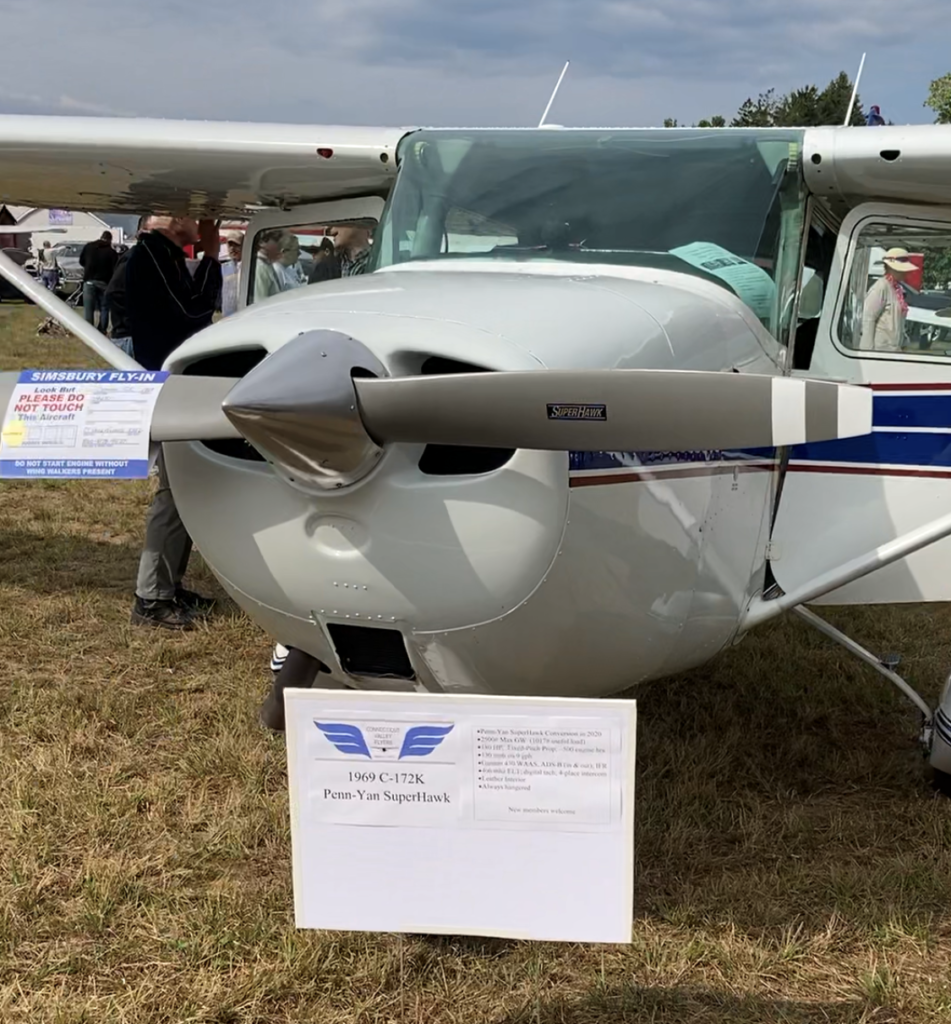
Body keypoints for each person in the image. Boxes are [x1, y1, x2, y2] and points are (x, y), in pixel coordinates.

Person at [126, 215, 222, 629]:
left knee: (182, 490)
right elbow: (192, 310)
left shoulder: (163, 255)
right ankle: (151, 598)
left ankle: (167, 586)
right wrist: (212, 257)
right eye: (188, 213)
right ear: (166, 220)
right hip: (168, 386)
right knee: (173, 491)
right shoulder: (150, 255)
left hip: (177, 382)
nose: (198, 220)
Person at [104, 215, 153, 358]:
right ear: (141, 233)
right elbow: (114, 293)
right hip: (130, 338)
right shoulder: (136, 257)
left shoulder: (157, 260)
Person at [859, 247, 916, 352]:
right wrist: (867, 351)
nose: (905, 272)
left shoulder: (896, 288)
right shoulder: (881, 287)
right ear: (890, 268)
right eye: (902, 269)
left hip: (892, 350)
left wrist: (903, 340)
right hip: (880, 350)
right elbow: (868, 317)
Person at [79, 230, 119, 332]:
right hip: (104, 282)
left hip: (89, 280)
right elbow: (115, 269)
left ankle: (88, 330)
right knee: (104, 307)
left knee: (89, 308)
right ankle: (102, 329)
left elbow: (81, 261)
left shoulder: (88, 247)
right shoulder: (112, 252)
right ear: (110, 240)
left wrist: (88, 268)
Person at [219, 231, 243, 316]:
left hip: (244, 313)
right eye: (230, 245)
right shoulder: (223, 268)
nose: (232, 248)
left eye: (236, 245)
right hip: (227, 315)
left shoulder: (249, 265)